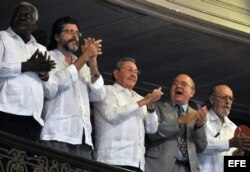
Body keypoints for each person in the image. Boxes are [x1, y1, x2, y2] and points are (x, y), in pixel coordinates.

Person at [39, 16, 105, 160]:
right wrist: (84, 57)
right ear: (57, 36)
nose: (74, 36)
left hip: (83, 138)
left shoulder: (83, 65)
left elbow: (98, 95)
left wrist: (93, 62)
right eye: (69, 31)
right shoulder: (48, 57)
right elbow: (51, 89)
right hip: (57, 134)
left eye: (76, 33)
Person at [93, 58, 163, 172]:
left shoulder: (140, 98)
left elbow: (152, 129)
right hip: (111, 160)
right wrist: (142, 103)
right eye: (129, 70)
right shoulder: (106, 91)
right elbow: (112, 115)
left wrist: (150, 106)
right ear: (116, 73)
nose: (133, 75)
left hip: (137, 163)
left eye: (136, 72)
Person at [0, 2, 55, 142]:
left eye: (28, 15)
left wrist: (44, 74)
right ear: (11, 18)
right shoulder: (2, 38)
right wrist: (26, 66)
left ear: (35, 25)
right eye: (19, 14)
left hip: (32, 119)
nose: (23, 17)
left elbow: (51, 91)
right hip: (5, 113)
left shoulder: (42, 49)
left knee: (26, 163)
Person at [145, 73, 207, 172]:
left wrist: (199, 126)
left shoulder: (197, 114)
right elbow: (153, 134)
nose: (178, 86)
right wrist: (181, 120)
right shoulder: (157, 106)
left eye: (184, 84)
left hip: (188, 168)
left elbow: (201, 148)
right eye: (175, 83)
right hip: (160, 167)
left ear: (192, 92)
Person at [198, 84, 250, 172]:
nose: (228, 102)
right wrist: (229, 143)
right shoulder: (200, 121)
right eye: (224, 97)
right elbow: (200, 148)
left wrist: (236, 157)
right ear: (212, 99)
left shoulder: (233, 128)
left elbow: (230, 163)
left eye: (230, 99)